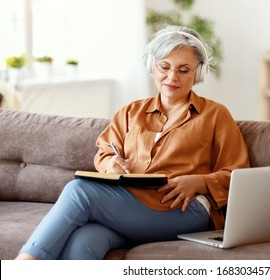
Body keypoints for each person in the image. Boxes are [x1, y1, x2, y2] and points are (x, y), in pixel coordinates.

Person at [15, 25, 250, 260]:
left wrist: (200, 182)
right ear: (152, 67)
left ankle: (24, 265)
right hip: (129, 207)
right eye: (164, 67)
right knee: (85, 239)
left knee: (79, 192)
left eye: (183, 70)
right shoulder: (131, 112)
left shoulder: (215, 115)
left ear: (197, 74)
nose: (172, 77)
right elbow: (105, 152)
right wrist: (111, 165)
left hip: (184, 209)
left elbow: (239, 173)